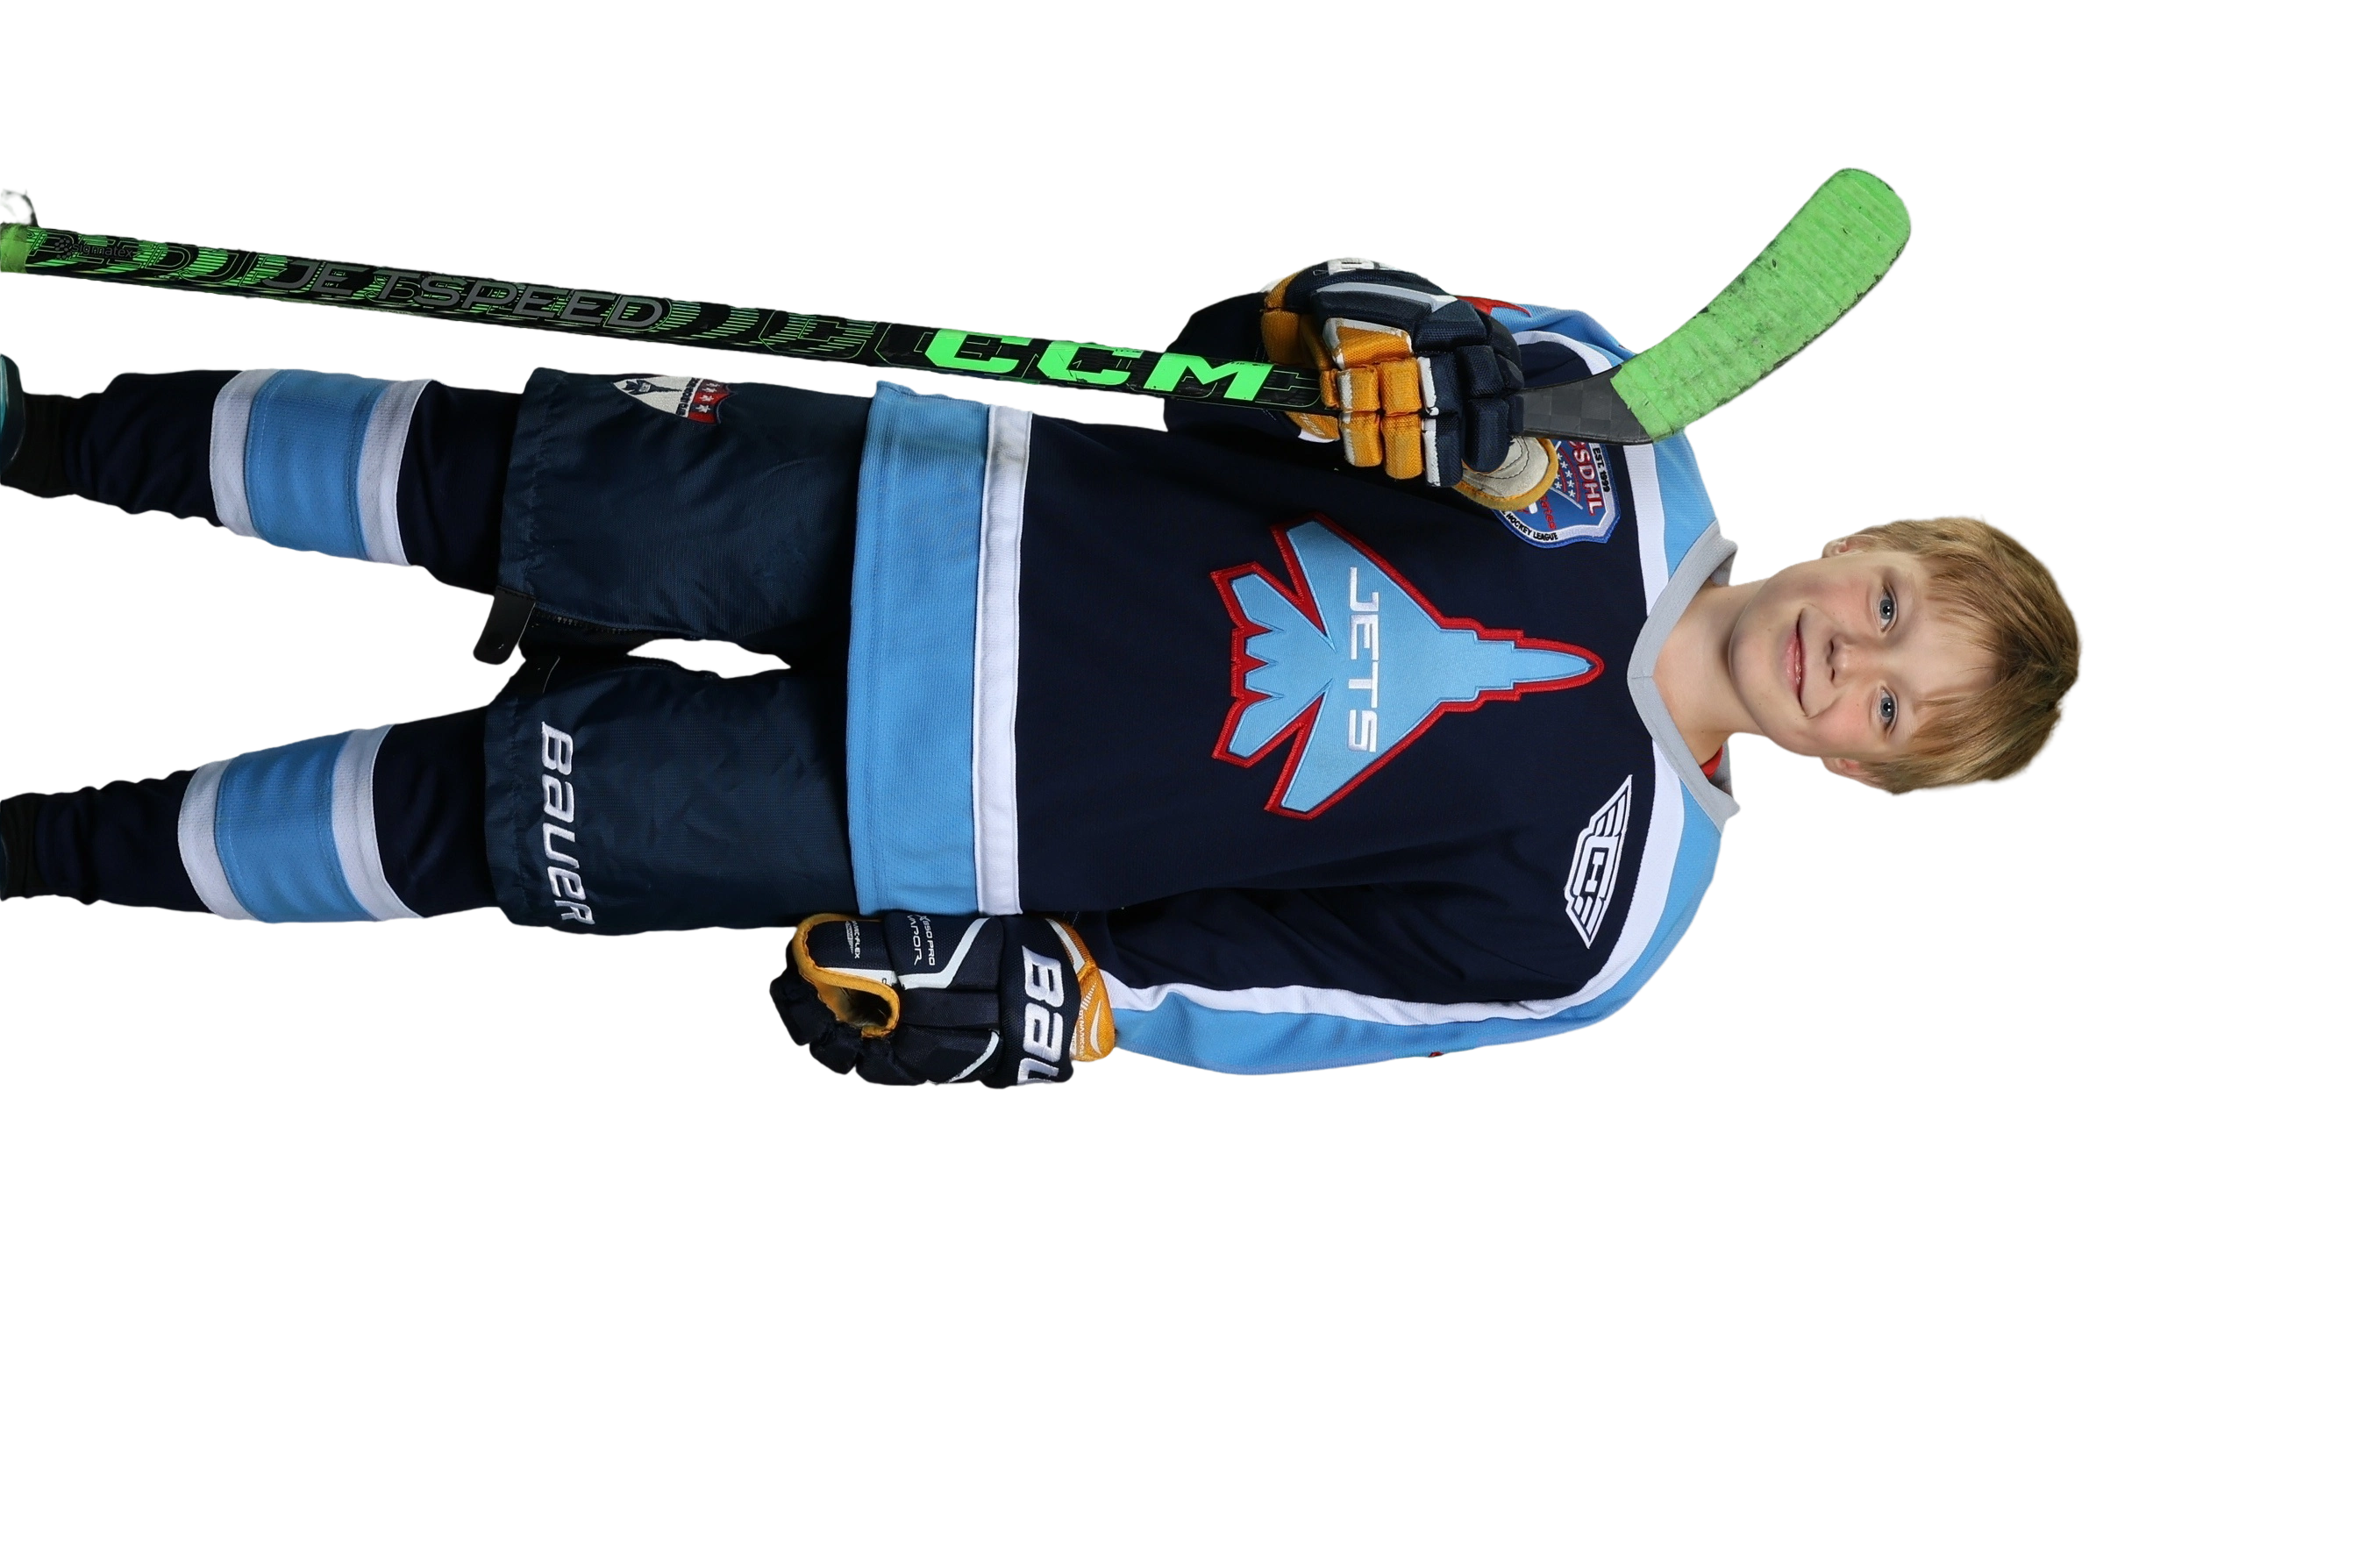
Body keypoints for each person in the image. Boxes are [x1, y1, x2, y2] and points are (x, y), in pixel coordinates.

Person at [0, 261, 2086, 1083]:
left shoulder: (1603, 925)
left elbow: (1277, 994)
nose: (1853, 654)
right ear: (1869, 537)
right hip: (934, 504)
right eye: (1897, 600)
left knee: (463, 829)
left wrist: (1068, 1009)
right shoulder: (1617, 413)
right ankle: (48, 431)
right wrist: (1349, 327)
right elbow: (1270, 347)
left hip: (927, 812)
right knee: (494, 475)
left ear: (1869, 777)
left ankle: (45, 848)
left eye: (1893, 705)